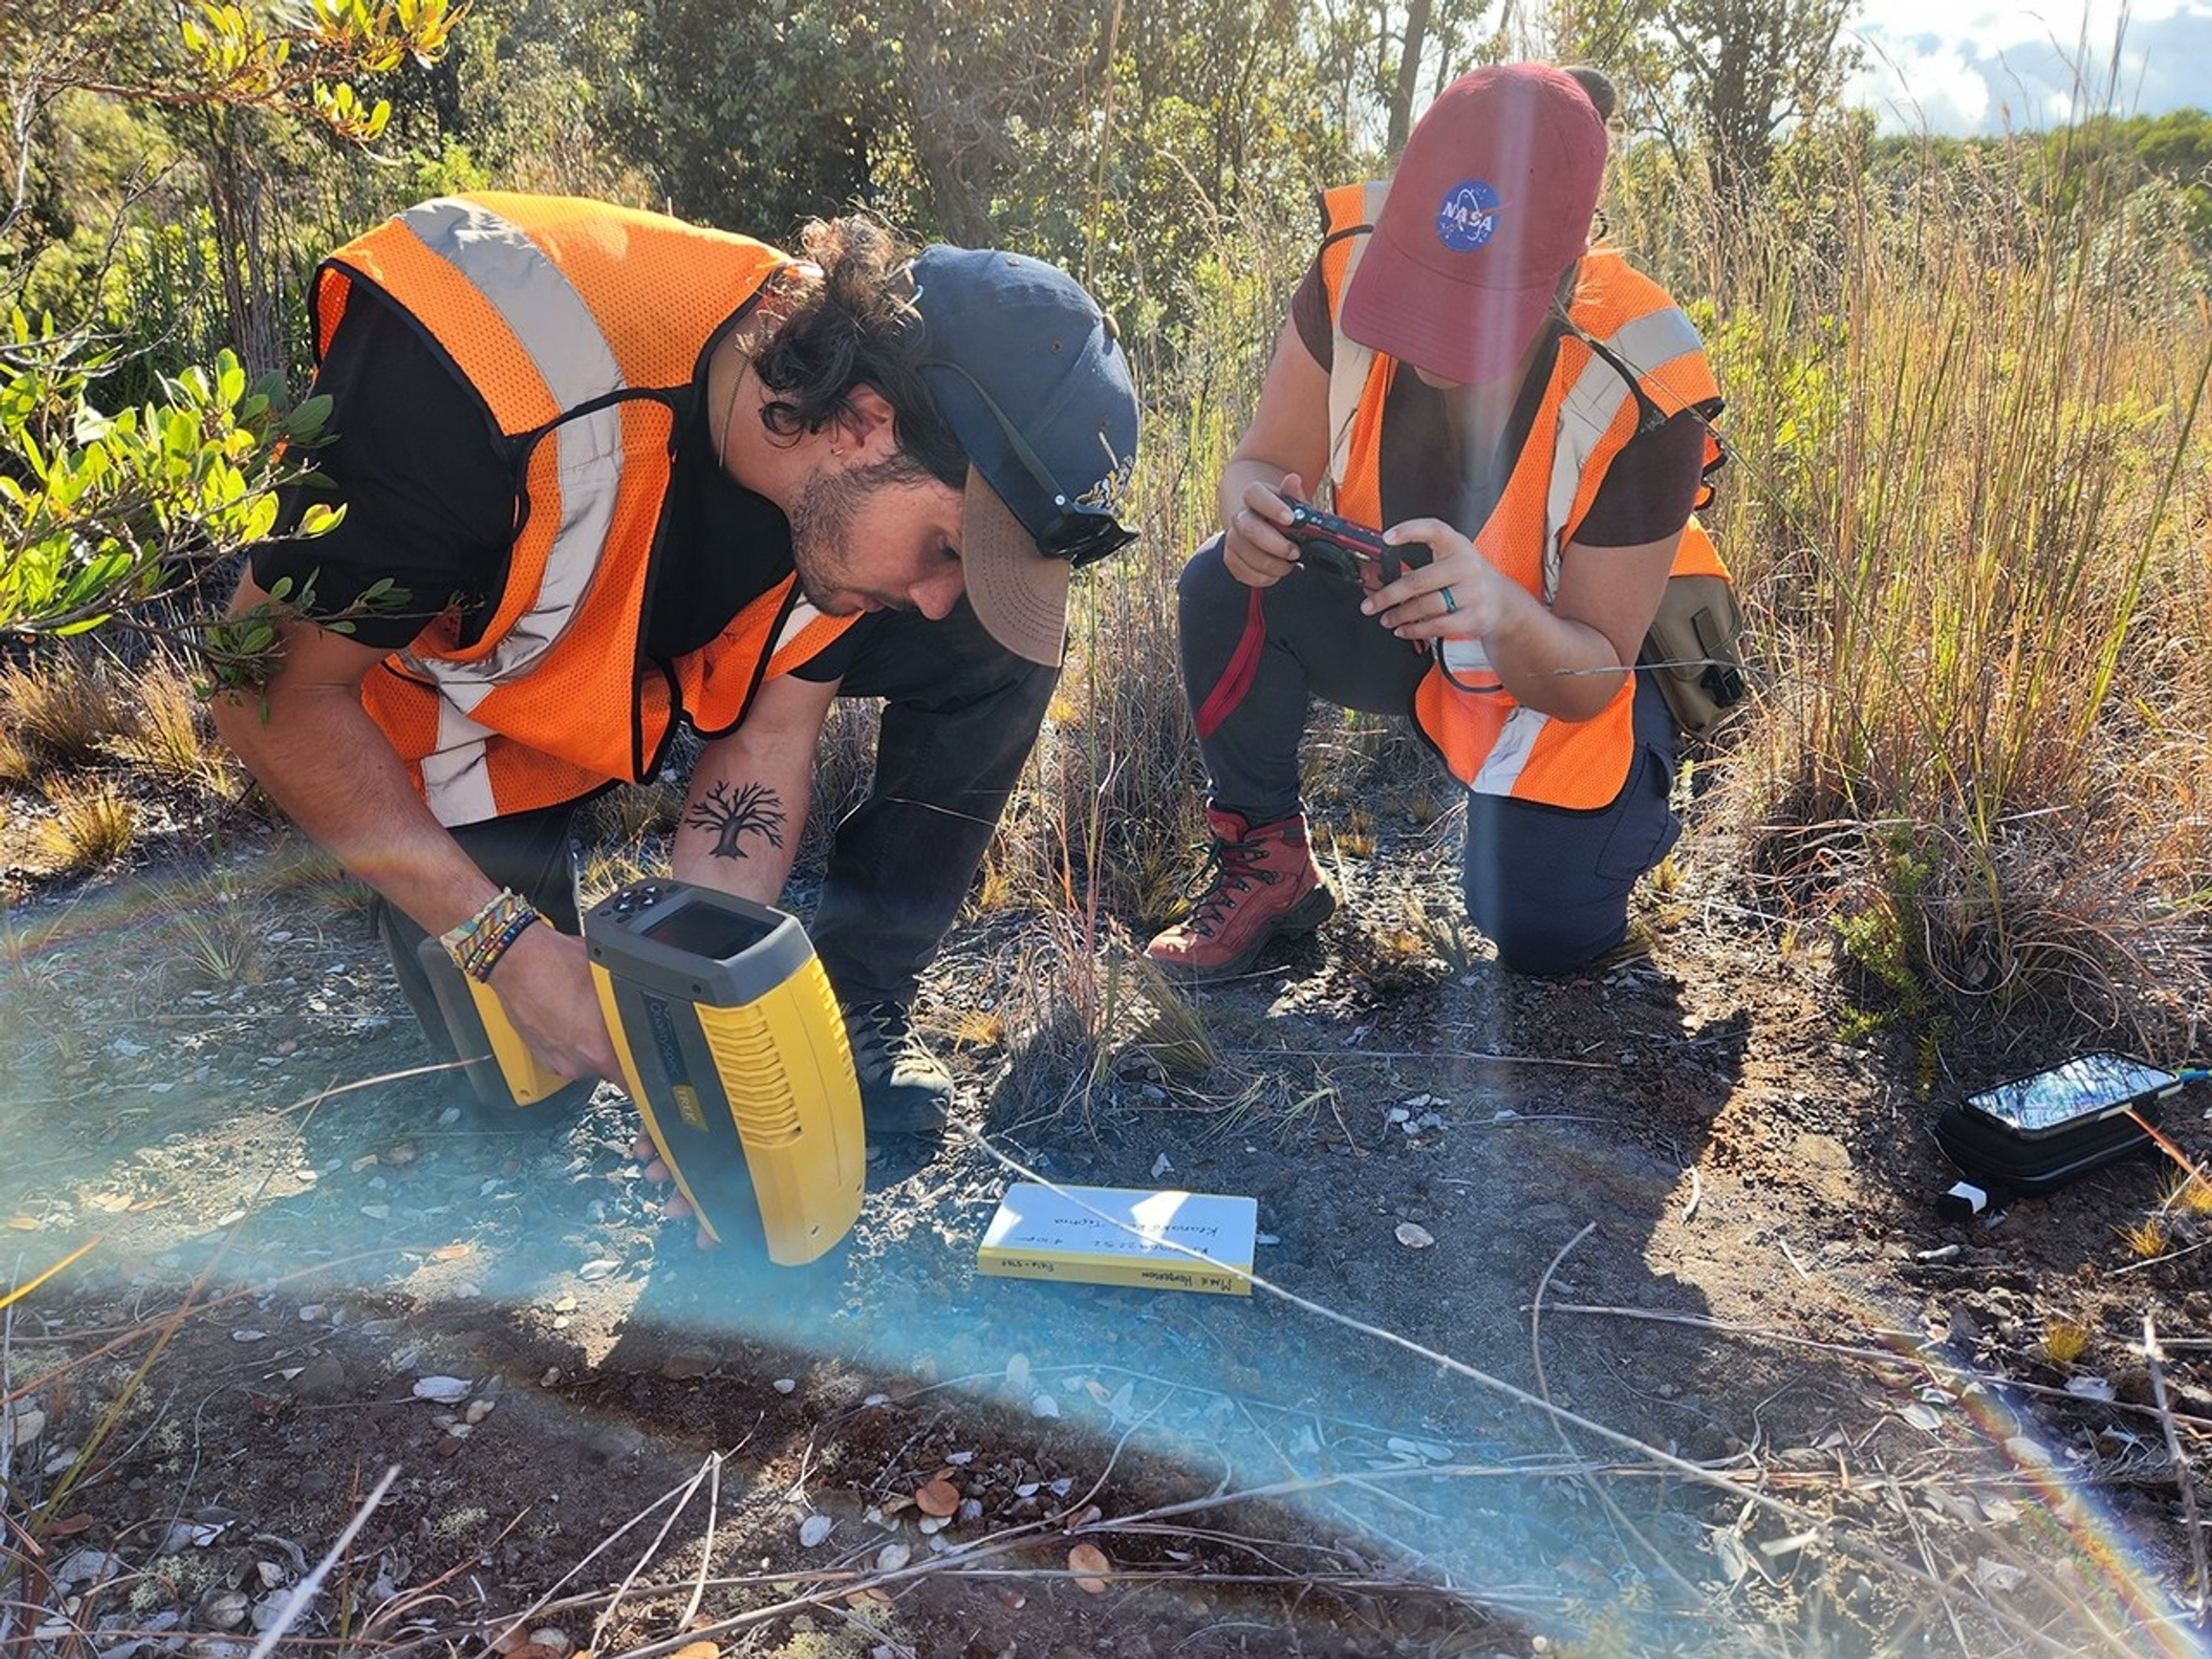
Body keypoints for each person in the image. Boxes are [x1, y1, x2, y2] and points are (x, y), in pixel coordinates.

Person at [212, 193, 1139, 1138]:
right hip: (445, 720)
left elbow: (767, 744)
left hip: (608, 691)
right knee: (528, 1089)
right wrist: (509, 947)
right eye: (947, 549)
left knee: (989, 646)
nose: (940, 597)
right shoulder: (470, 371)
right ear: (865, 422)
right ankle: (433, 897)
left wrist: (699, 1050)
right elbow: (261, 694)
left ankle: (857, 1000)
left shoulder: (833, 487)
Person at [1144, 64, 1726, 982]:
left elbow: (1590, 676)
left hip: (1570, 669)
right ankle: (1270, 869)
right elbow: (1260, 461)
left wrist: (1494, 607)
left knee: (1540, 934)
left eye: (1474, 317)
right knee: (1222, 580)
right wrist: (1248, 509)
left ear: (1565, 280)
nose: (1429, 344)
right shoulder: (1346, 265)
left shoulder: (1647, 383)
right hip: (1412, 629)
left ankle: (1632, 815)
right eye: (1417, 293)